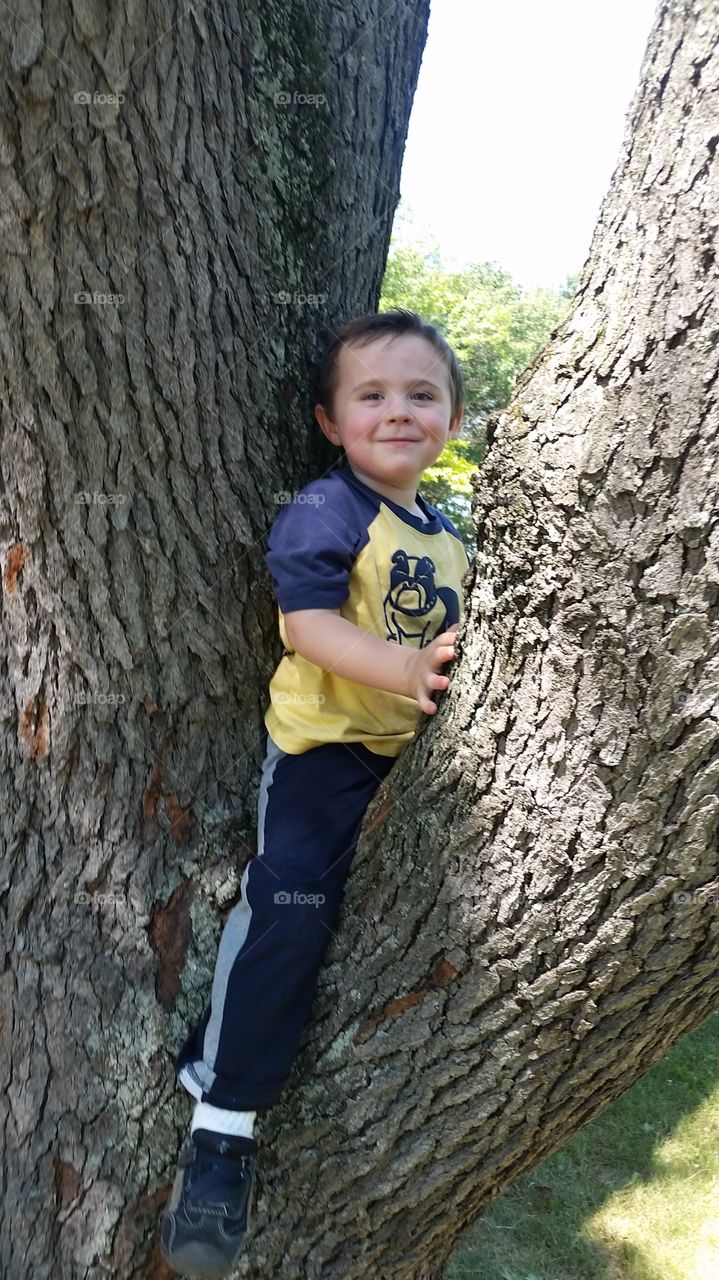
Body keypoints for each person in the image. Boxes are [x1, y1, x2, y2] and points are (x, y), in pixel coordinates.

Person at [160, 309, 471, 1277]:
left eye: (420, 394)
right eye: (370, 395)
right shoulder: (325, 508)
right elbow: (306, 627)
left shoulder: (446, 533)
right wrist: (404, 668)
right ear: (330, 421)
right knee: (291, 902)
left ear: (451, 420)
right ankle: (222, 1117)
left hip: (400, 759)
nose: (396, 411)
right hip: (323, 752)